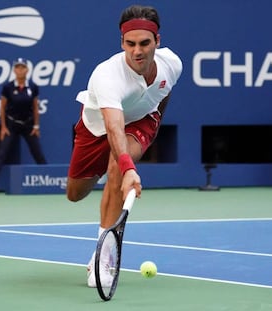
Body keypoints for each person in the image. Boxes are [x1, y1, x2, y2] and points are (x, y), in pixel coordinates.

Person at [66, 5, 182, 287]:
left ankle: (102, 257)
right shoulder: (107, 76)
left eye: (144, 43)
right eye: (130, 44)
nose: (137, 51)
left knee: (119, 163)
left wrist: (152, 127)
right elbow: (113, 128)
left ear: (158, 41)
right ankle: (114, 179)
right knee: (75, 193)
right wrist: (130, 169)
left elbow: (163, 92)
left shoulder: (173, 64)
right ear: (122, 43)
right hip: (98, 128)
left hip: (140, 121)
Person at [0, 58, 47, 194]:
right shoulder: (8, 87)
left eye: (23, 67)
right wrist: (3, 127)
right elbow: (2, 108)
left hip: (28, 125)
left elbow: (35, 108)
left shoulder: (33, 87)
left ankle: (49, 179)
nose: (20, 70)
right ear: (14, 70)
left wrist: (36, 126)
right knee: (2, 153)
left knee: (38, 153)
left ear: (27, 70)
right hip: (11, 125)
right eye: (17, 67)